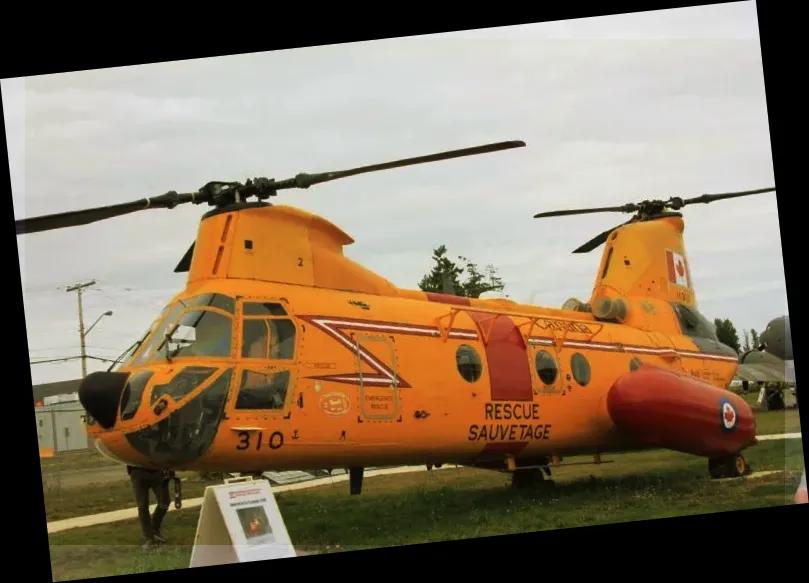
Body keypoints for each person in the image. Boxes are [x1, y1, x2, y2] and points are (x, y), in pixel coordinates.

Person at [127, 465, 173, 548]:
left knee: (165, 501)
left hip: (157, 470)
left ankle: (154, 529)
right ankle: (149, 538)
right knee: (143, 506)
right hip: (137, 471)